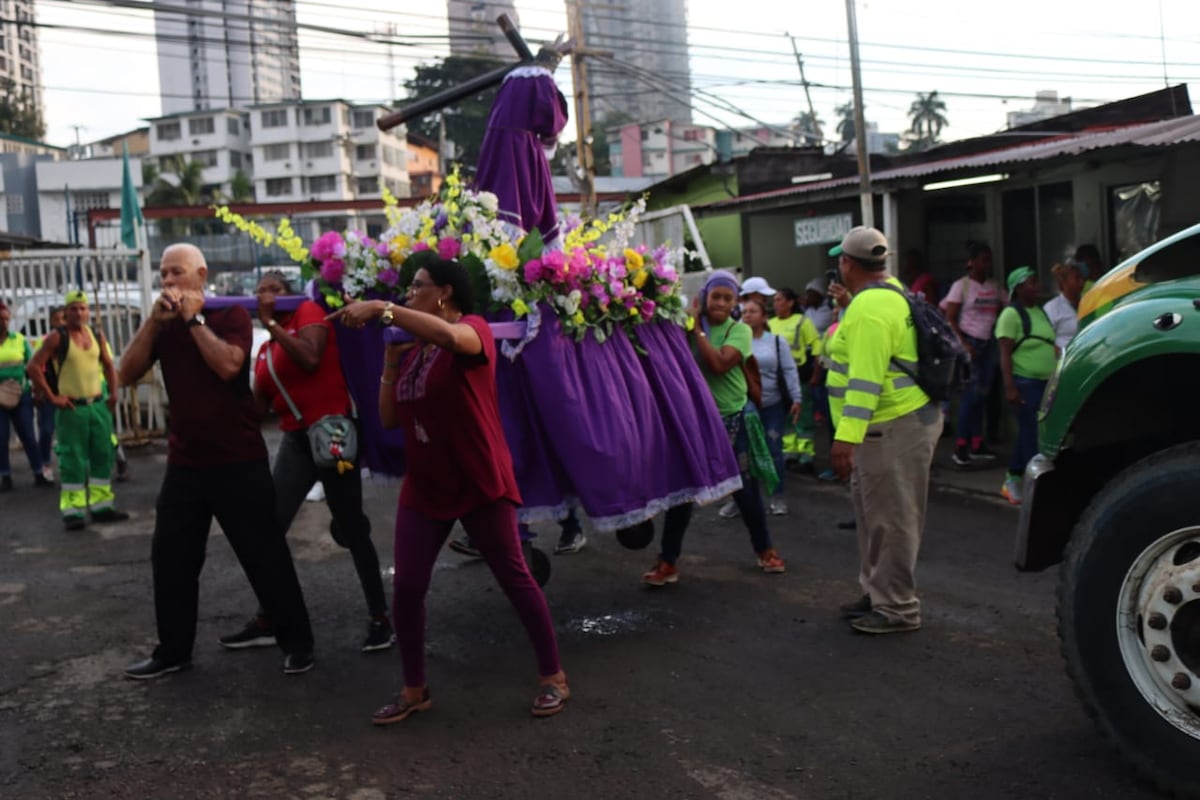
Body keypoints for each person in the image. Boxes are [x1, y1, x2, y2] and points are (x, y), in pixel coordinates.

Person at [335, 258, 571, 721]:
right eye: (404, 290)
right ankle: (414, 689)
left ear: (443, 292)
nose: (407, 294)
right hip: (426, 486)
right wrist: (388, 363)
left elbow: (450, 337)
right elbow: (386, 420)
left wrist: (382, 308)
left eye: (416, 287)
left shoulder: (472, 329)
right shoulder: (417, 353)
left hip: (477, 477)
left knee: (514, 576)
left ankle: (553, 677)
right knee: (407, 588)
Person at [117, 243, 315, 680]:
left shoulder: (230, 315)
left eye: (177, 274)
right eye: (164, 275)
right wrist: (153, 321)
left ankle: (298, 642)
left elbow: (228, 366)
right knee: (170, 557)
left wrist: (194, 319)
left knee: (264, 554)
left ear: (201, 275)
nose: (168, 282)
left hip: (237, 458)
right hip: (186, 460)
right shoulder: (161, 324)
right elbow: (125, 373)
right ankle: (173, 650)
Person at [217, 271, 395, 654]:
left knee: (351, 528)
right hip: (296, 441)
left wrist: (269, 324)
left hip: (331, 432)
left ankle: (380, 618)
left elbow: (311, 358)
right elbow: (258, 408)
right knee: (270, 527)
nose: (268, 296)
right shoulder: (265, 352)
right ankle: (270, 617)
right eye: (261, 290)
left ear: (289, 295)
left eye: (275, 290)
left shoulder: (309, 313)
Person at [826, 227, 943, 634]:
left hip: (892, 426)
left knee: (892, 520)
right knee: (876, 517)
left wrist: (846, 438)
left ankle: (897, 608)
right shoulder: (891, 291)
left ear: (847, 263)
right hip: (896, 424)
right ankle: (878, 593)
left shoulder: (870, 307)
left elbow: (866, 381)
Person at [643, 271, 786, 586]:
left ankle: (765, 550)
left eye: (727, 298)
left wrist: (698, 331)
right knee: (683, 492)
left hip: (731, 420)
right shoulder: (686, 328)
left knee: (744, 491)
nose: (720, 303)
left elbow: (720, 364)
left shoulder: (740, 331)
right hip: (693, 421)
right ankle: (667, 562)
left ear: (735, 302)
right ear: (704, 297)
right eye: (715, 296)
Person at [25, 291, 128, 529]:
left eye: (83, 308)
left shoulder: (96, 335)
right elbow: (33, 367)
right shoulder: (57, 338)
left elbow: (109, 365)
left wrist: (113, 394)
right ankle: (73, 512)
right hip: (73, 409)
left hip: (98, 405)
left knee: (103, 454)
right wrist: (53, 397)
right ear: (66, 312)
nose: (79, 313)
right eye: (74, 309)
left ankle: (102, 506)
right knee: (72, 458)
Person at [940, 242, 1006, 466]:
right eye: (984, 259)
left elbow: (1007, 306)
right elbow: (948, 316)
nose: (987, 264)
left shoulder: (994, 287)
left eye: (989, 260)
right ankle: (961, 446)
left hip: (989, 343)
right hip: (970, 342)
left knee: (982, 395)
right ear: (974, 261)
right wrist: (964, 344)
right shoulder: (962, 287)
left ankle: (977, 442)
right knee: (970, 396)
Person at [996, 267, 1057, 505]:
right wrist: (1010, 387)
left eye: (1036, 281)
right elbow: (1004, 353)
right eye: (1031, 283)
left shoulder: (1040, 312)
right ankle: (1034, 490)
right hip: (1025, 382)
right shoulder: (1011, 315)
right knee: (1031, 434)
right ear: (1019, 288)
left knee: (1031, 431)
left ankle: (1013, 478)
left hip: (1046, 382)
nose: (1037, 286)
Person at [743, 297, 801, 515]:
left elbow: (789, 370)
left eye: (753, 311)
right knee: (744, 454)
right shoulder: (736, 340)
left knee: (774, 451)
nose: (747, 315)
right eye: (744, 311)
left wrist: (796, 398)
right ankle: (743, 499)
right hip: (745, 406)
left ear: (764, 316)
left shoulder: (776, 341)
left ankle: (777, 496)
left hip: (772, 406)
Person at [0, 299, 52, 492]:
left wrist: (37, 389)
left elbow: (32, 366)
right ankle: (5, 476)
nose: (3, 323)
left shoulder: (19, 340)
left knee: (28, 435)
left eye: (6, 319)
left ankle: (39, 472)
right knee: (1, 437)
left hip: (21, 395)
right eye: (0, 319)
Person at [769, 287, 821, 471]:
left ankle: (807, 456)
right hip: (778, 377)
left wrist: (815, 373)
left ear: (790, 302)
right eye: (774, 300)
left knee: (803, 415)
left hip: (799, 374)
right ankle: (789, 452)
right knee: (786, 416)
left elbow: (816, 346)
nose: (776, 304)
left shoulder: (802, 322)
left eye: (780, 300)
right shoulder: (771, 323)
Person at [32, 306, 65, 483]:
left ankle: (73, 465)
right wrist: (38, 390)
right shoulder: (44, 341)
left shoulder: (71, 340)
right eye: (57, 319)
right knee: (46, 430)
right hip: (48, 391)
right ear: (51, 321)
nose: (60, 322)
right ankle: (44, 463)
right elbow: (36, 367)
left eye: (63, 318)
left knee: (69, 432)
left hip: (68, 392)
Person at [1044, 259, 1088, 349]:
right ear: (1063, 283)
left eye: (1082, 278)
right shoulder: (1051, 308)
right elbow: (1047, 340)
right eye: (1077, 278)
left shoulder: (1088, 302)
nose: (1082, 282)